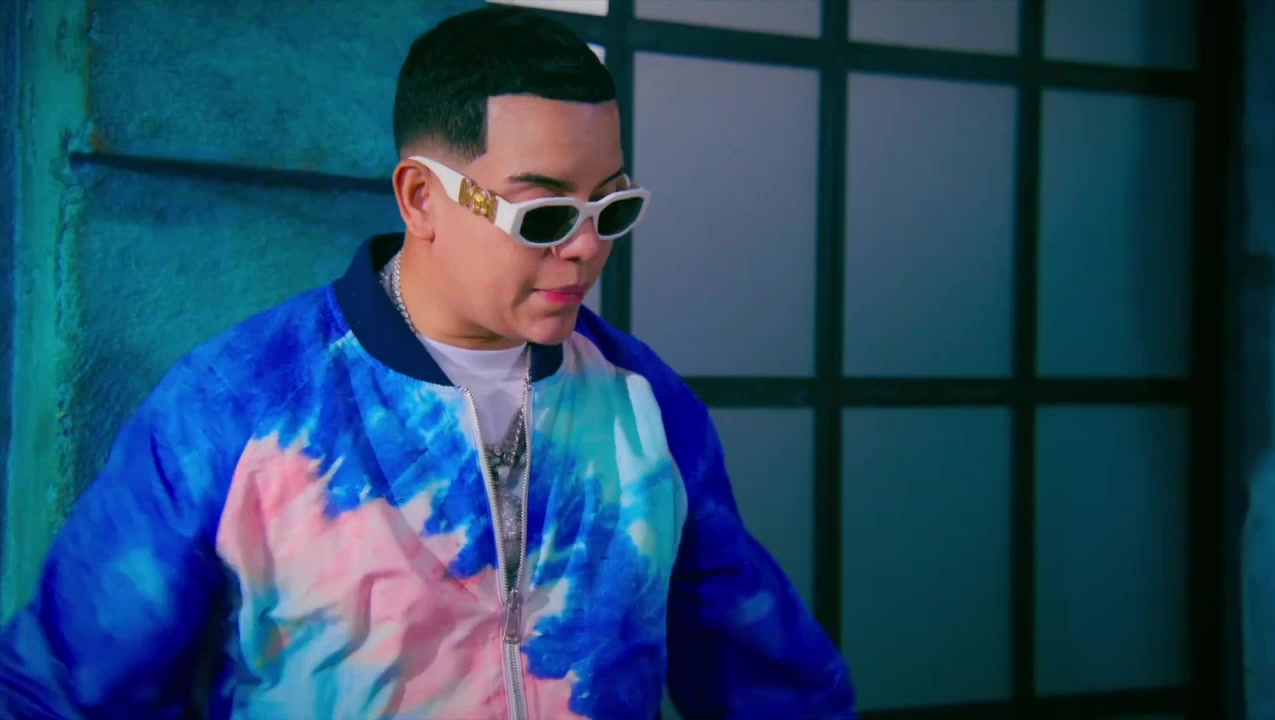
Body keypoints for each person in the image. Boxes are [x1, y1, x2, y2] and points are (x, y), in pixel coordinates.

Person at [0, 6, 855, 719]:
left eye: (612, 208)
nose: (586, 249)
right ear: (421, 199)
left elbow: (771, 685)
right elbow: (60, 692)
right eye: (545, 216)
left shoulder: (644, 404)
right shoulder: (236, 408)